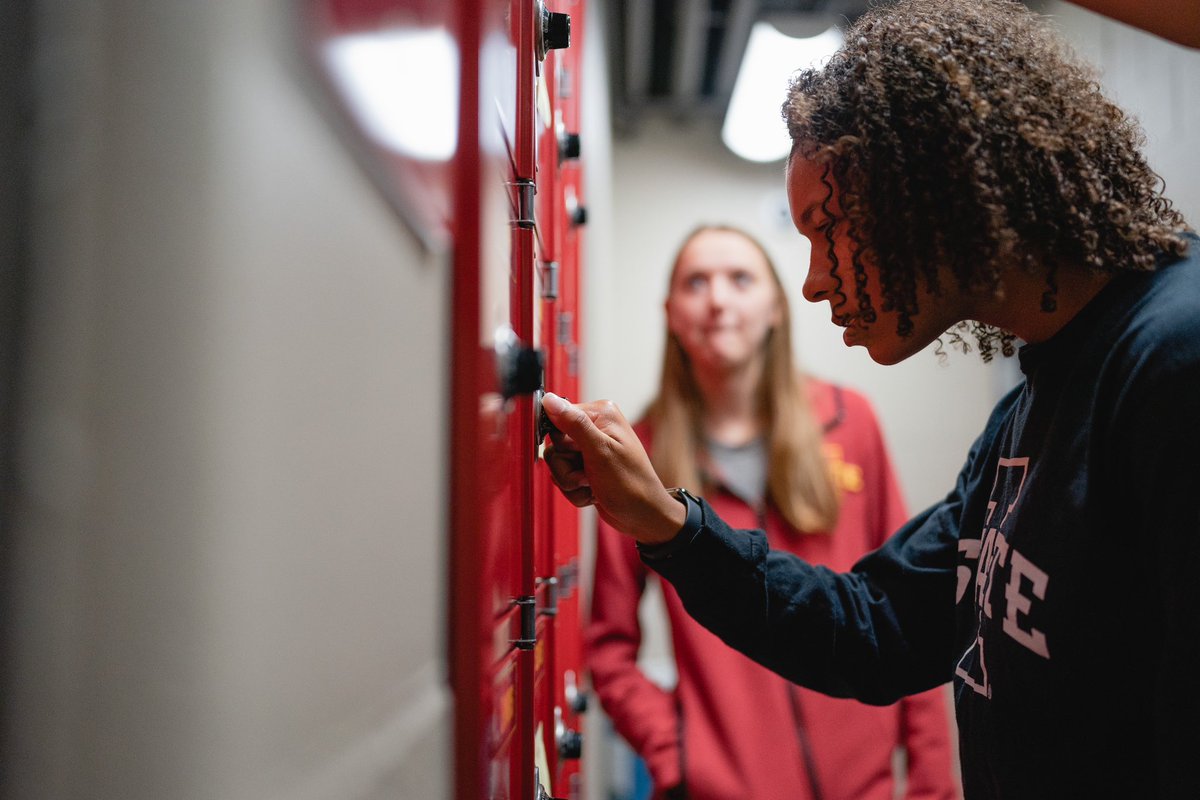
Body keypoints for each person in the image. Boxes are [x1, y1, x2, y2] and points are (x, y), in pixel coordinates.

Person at [541, 1, 1198, 798]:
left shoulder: (1173, 359)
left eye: (828, 227)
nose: (815, 281)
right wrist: (671, 527)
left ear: (933, 185)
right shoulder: (1029, 411)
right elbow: (879, 626)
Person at [587, 225, 959, 800]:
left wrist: (932, 783)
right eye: (696, 282)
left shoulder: (851, 421)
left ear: (776, 308)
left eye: (740, 278)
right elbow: (606, 647)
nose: (717, 299)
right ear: (670, 311)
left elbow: (910, 607)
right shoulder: (639, 456)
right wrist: (675, 751)